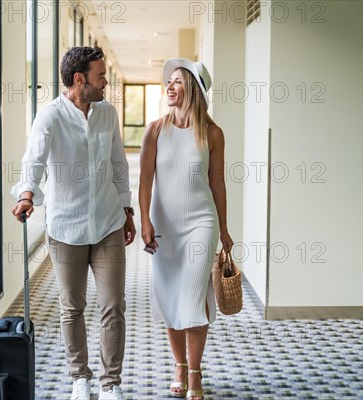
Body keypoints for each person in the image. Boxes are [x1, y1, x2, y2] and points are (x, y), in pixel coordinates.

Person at [11, 46, 136, 400]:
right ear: (79, 79)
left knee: (113, 304)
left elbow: (118, 165)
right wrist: (26, 195)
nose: (105, 81)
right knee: (72, 307)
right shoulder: (49, 117)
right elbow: (32, 162)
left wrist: (127, 211)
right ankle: (79, 377)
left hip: (109, 222)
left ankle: (111, 383)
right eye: (100, 75)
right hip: (66, 228)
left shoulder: (107, 113)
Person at [138, 58, 234, 400]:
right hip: (164, 225)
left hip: (200, 223)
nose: (170, 86)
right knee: (169, 296)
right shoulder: (154, 130)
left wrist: (224, 229)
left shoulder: (212, 134)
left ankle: (194, 371)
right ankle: (179, 365)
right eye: (169, 81)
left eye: (177, 81)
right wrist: (145, 220)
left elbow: (218, 184)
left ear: (192, 88)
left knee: (193, 296)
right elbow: (146, 180)